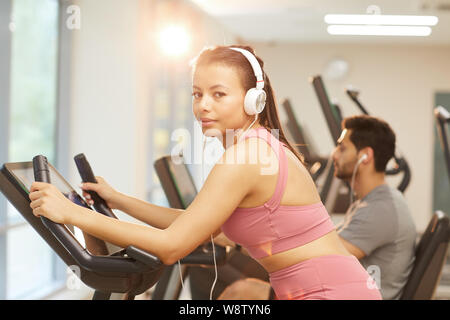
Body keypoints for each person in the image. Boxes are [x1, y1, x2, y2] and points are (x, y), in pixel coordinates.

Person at [28, 45, 381, 300]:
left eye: (218, 94)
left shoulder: (246, 157)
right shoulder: (256, 148)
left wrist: (72, 213)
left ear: (251, 100)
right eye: (198, 94)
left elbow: (170, 247)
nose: (203, 105)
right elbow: (192, 222)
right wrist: (120, 201)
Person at [332, 115, 417, 300]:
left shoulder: (379, 209)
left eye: (342, 148)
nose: (334, 154)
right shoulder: (369, 202)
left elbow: (325, 257)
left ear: (366, 156)